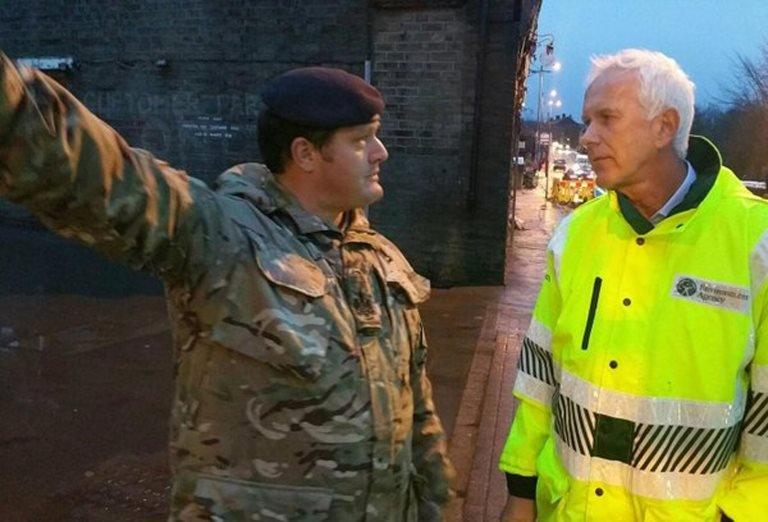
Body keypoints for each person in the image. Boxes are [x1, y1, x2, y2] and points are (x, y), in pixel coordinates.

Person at [0, 55, 455, 520]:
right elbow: (98, 174)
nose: (381, 152)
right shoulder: (221, 238)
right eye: (361, 140)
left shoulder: (380, 259)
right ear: (305, 154)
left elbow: (419, 415)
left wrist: (436, 507)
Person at [499, 49, 768, 521]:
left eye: (606, 119)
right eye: (586, 121)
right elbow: (540, 375)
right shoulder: (576, 235)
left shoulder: (754, 242)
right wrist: (520, 492)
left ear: (664, 127)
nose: (586, 138)